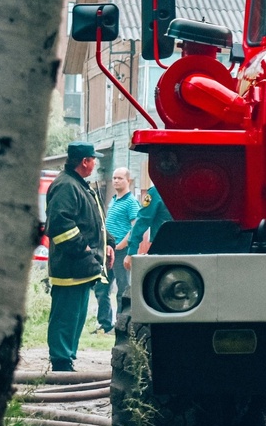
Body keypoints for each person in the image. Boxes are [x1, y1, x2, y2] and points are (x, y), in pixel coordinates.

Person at [45, 142, 113, 372]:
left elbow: (95, 223)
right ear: (84, 161)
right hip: (71, 267)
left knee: (75, 317)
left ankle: (67, 359)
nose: (95, 163)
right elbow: (60, 225)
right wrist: (84, 250)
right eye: (93, 159)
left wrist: (109, 245)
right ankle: (61, 362)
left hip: (81, 268)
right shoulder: (66, 186)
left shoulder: (79, 186)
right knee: (66, 317)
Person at [102, 167, 139, 330]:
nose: (116, 181)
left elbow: (135, 227)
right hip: (107, 250)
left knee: (122, 289)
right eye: (114, 178)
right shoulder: (114, 199)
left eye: (120, 178)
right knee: (102, 287)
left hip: (121, 251)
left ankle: (121, 324)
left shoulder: (131, 202)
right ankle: (104, 324)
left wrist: (122, 245)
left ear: (128, 181)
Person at [124, 183, 173, 273]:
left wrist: (131, 251)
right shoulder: (157, 192)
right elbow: (142, 221)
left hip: (163, 252)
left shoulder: (157, 191)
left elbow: (142, 221)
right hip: (188, 251)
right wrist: (132, 250)